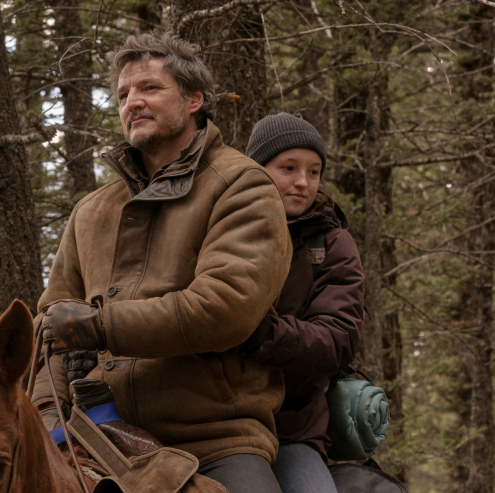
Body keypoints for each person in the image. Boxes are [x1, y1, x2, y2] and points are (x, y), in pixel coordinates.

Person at [30, 32, 293, 493]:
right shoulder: (91, 211)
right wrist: (47, 414)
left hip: (214, 440)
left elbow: (225, 308)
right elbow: (49, 327)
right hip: (97, 438)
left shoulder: (241, 185)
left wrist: (100, 325)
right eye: (124, 94)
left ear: (194, 99)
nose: (133, 102)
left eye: (150, 88)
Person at [243, 113, 365, 493]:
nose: (302, 183)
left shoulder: (331, 242)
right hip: (214, 422)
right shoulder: (224, 228)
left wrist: (262, 334)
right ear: (256, 170)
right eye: (289, 168)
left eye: (314, 172)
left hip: (292, 429)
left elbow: (339, 340)